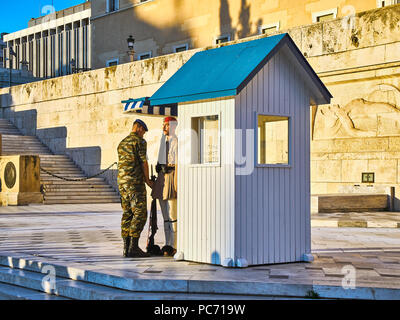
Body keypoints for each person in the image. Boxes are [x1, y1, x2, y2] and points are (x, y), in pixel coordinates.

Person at [117, 119, 154, 258]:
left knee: (127, 214)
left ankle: (126, 248)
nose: (143, 134)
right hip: (135, 184)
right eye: (143, 131)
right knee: (140, 213)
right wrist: (148, 180)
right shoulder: (139, 142)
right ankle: (133, 247)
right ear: (138, 128)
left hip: (122, 183)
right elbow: (144, 162)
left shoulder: (122, 143)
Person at [151, 116, 178, 257]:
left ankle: (175, 245)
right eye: (163, 125)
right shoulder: (164, 141)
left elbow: (177, 162)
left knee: (173, 216)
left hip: (170, 179)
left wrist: (168, 166)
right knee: (165, 217)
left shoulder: (176, 142)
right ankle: (168, 243)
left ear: (173, 126)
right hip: (162, 180)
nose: (164, 128)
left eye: (166, 125)